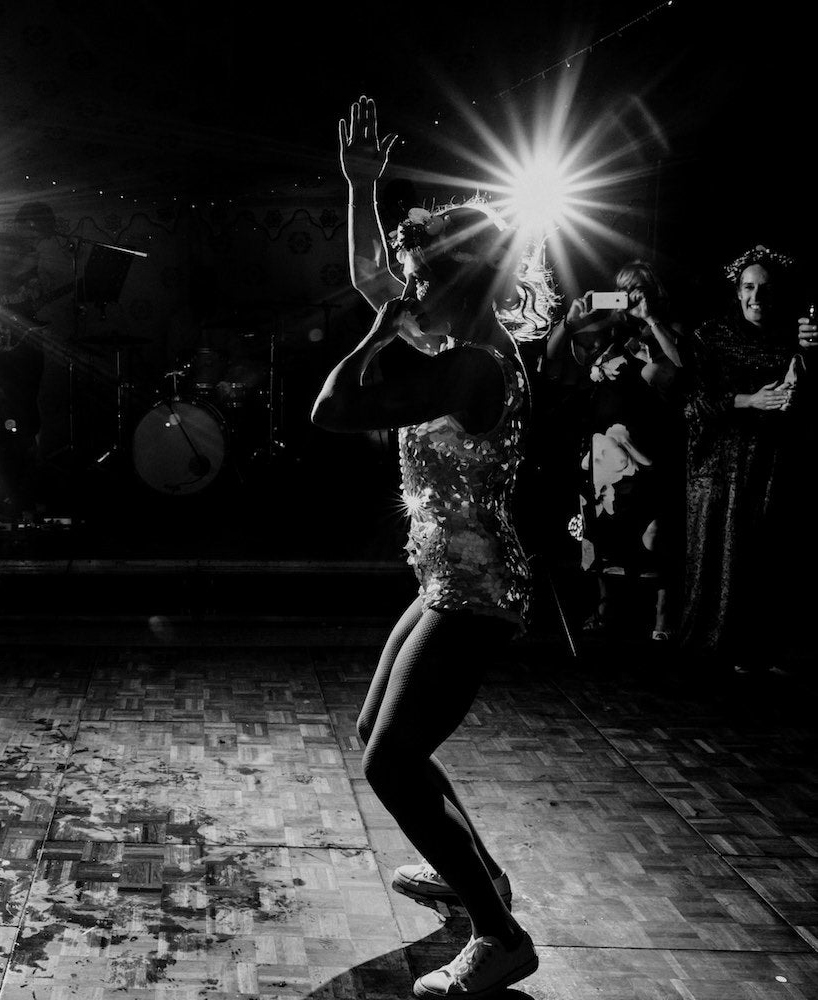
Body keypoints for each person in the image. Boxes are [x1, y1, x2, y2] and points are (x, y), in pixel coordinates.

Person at [312, 97, 545, 998]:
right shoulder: (457, 332)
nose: (401, 290)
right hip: (448, 576)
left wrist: (375, 333)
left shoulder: (472, 363)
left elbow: (333, 412)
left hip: (477, 593)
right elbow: (376, 273)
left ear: (453, 280)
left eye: (417, 277)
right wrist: (360, 189)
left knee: (390, 760)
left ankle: (500, 934)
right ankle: (473, 879)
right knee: (382, 736)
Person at [679, 245, 811, 675]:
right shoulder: (710, 336)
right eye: (749, 288)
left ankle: (762, 649)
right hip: (722, 467)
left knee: (765, 555)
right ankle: (717, 647)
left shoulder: (792, 335)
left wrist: (808, 358)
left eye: (765, 289)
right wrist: (749, 400)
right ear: (737, 293)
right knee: (724, 553)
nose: (757, 297)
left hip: (772, 463)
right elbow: (693, 403)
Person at [546, 261, 684, 641]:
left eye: (641, 289)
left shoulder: (666, 331)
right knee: (602, 531)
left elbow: (680, 367)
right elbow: (553, 361)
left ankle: (662, 617)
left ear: (654, 293)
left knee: (654, 536)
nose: (634, 297)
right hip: (605, 451)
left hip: (647, 447)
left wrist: (651, 321)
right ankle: (606, 612)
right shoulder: (608, 333)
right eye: (626, 290)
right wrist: (570, 323)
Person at [0, 201, 63, 518]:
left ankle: (24, 487)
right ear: (30, 226)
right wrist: (22, 275)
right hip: (5, 341)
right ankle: (12, 492)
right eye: (38, 234)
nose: (39, 242)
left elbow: (23, 299)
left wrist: (35, 286)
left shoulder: (27, 252)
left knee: (28, 409)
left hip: (23, 338)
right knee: (14, 413)